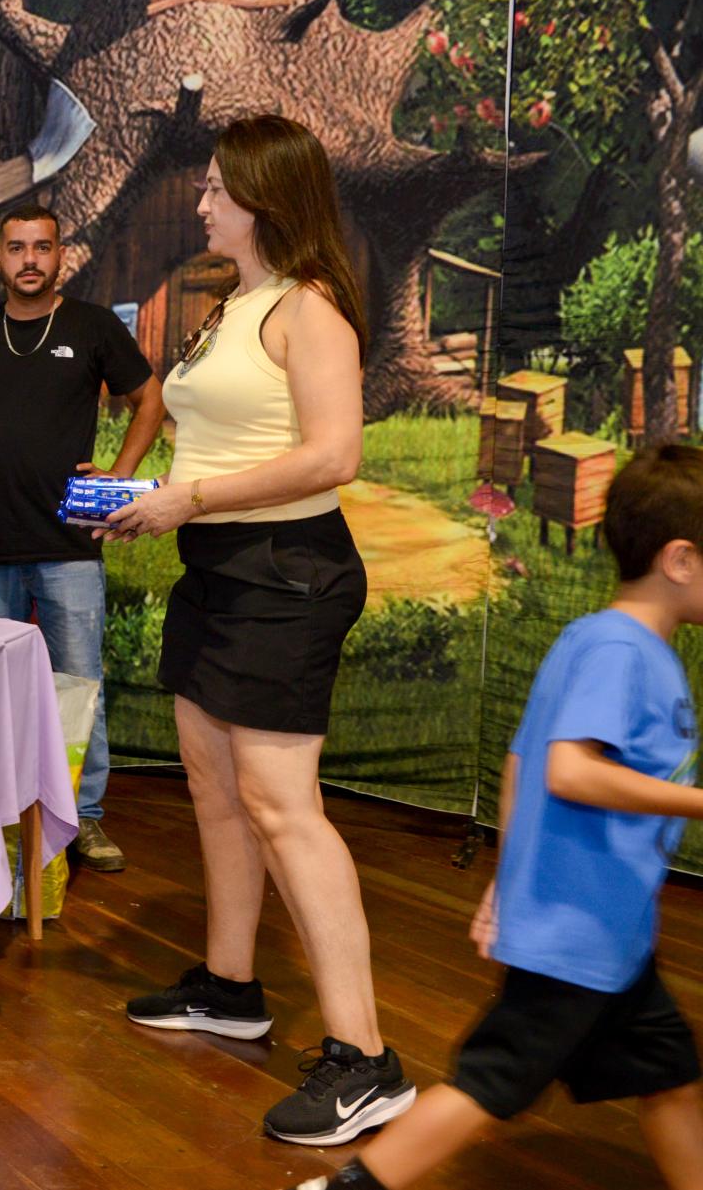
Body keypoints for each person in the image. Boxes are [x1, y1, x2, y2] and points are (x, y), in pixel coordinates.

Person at [105, 115, 407, 1144]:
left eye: (215, 190)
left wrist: (190, 498)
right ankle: (230, 987)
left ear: (265, 199)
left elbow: (333, 456)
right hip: (218, 570)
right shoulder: (236, 302)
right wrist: (151, 494)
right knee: (215, 786)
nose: (199, 204)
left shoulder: (310, 307)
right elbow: (229, 441)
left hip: (287, 575)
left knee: (284, 807)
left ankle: (365, 1058)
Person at [292, 447, 703, 1189]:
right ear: (679, 559)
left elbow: (519, 761)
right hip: (577, 932)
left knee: (670, 1077)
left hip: (609, 929)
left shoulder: (597, 639)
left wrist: (507, 883)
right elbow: (568, 770)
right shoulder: (623, 651)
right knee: (491, 1082)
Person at [0, 202, 165, 871]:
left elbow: (149, 399)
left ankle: (83, 819)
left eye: (42, 247)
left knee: (78, 687)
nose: (29, 259)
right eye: (17, 247)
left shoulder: (91, 326)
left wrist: (120, 477)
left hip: (69, 546)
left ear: (61, 256)